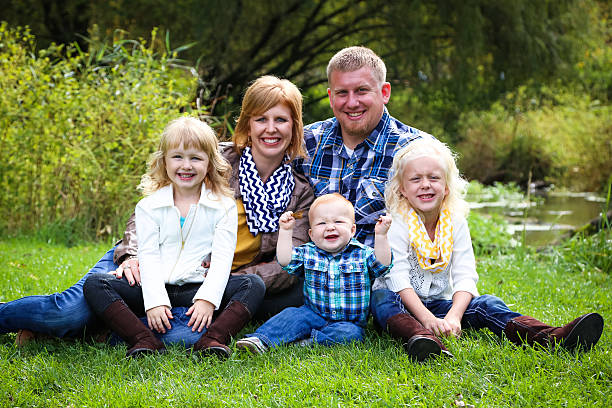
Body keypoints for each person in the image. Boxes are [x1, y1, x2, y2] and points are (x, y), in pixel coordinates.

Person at [0, 75, 314, 348]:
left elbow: (287, 264)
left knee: (186, 337)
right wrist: (131, 257)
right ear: (247, 123)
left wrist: (223, 280)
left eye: (281, 120)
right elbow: (150, 209)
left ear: (295, 126)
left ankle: (94, 331)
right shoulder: (211, 158)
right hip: (148, 255)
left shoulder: (299, 192)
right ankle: (35, 320)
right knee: (68, 312)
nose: (270, 129)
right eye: (261, 119)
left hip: (198, 279)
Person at [370, 138, 605, 361]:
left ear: (447, 187)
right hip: (400, 304)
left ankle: (548, 337)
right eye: (415, 179)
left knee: (487, 303)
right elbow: (397, 277)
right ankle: (422, 340)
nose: (425, 185)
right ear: (402, 189)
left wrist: (454, 316)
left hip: (438, 303)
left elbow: (465, 274)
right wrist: (427, 319)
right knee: (382, 297)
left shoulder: (455, 223)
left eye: (434, 178)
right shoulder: (397, 223)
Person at [83, 117, 263, 358]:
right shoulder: (149, 206)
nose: (186, 166)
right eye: (177, 157)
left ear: (210, 163)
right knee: (96, 284)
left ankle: (212, 340)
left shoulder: (223, 207)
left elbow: (222, 260)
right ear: (164, 161)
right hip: (155, 286)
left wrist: (207, 300)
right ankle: (142, 339)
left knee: (253, 285)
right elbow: (148, 256)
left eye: (196, 158)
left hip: (195, 286)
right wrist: (155, 302)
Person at [300, 46, 434, 247]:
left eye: (362, 91)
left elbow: (442, 225)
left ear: (384, 92)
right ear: (330, 97)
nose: (352, 103)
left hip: (388, 275)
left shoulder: (417, 149)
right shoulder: (307, 143)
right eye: (342, 93)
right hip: (316, 274)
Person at [235, 193, 392, 353]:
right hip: (312, 313)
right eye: (321, 223)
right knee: (291, 315)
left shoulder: (362, 254)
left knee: (350, 335)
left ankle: (308, 342)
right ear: (311, 234)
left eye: (338, 222)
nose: (330, 227)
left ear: (352, 230)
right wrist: (285, 231)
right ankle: (261, 339)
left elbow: (382, 264)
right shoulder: (308, 253)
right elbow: (285, 260)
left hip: (348, 322)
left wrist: (381, 236)